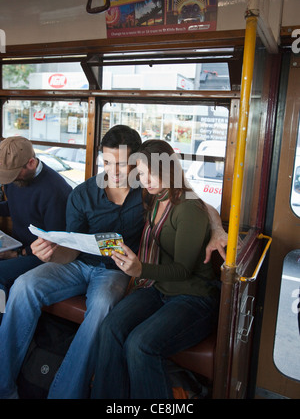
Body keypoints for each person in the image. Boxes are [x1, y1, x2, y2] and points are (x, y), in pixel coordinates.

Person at [0, 126, 226, 400]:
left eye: (122, 164)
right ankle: (4, 386)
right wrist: (52, 253)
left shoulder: (147, 190)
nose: (113, 171)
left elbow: (197, 203)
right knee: (23, 285)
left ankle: (64, 394)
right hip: (77, 264)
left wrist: (217, 229)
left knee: (103, 308)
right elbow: (69, 252)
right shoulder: (83, 193)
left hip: (117, 272)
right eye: (107, 162)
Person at [91, 139, 220, 399]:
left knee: (140, 345)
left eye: (153, 172)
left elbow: (183, 270)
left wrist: (140, 270)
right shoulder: (155, 198)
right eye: (141, 173)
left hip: (193, 297)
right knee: (110, 327)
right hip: (160, 288)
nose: (146, 180)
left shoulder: (188, 208)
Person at [0, 136, 72, 306]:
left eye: (13, 174)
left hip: (42, 256)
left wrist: (17, 254)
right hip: (17, 245)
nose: (10, 179)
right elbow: (14, 206)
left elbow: (55, 244)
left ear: (31, 163)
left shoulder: (56, 191)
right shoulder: (16, 179)